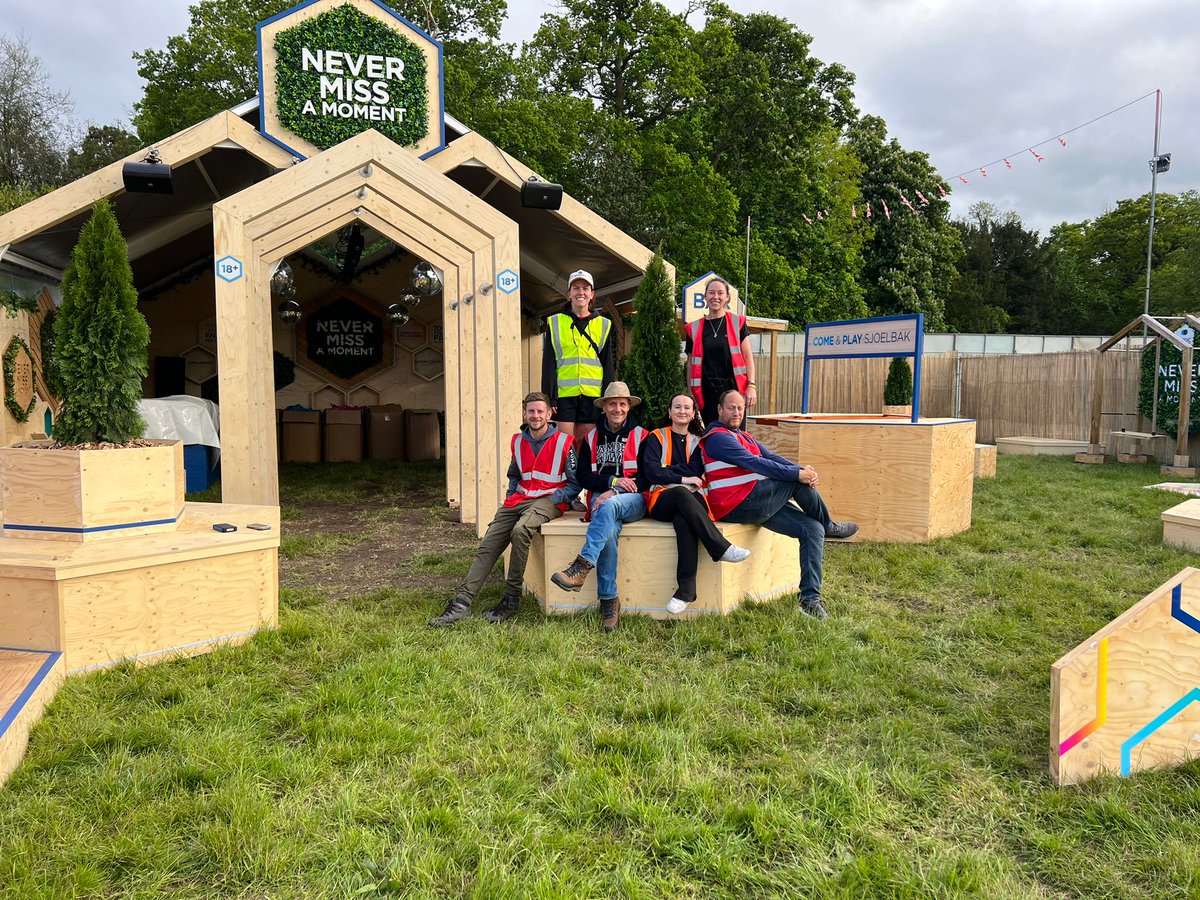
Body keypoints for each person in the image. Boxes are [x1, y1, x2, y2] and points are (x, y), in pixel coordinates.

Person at [700, 390, 858, 620]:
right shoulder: (717, 437)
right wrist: (798, 475)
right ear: (719, 409)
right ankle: (830, 525)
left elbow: (772, 457)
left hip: (757, 501)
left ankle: (809, 600)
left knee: (813, 530)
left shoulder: (744, 436)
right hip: (737, 504)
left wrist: (802, 469)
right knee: (797, 484)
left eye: (740, 408)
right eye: (731, 407)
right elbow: (755, 462)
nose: (736, 412)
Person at [430, 392, 578, 627]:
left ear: (550, 414)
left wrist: (558, 498)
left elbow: (575, 482)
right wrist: (511, 498)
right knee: (489, 543)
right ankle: (461, 603)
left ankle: (511, 599)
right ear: (524, 413)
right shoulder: (518, 441)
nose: (536, 415)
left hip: (549, 500)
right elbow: (514, 475)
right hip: (518, 499)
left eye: (541, 411)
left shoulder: (564, 441)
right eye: (531, 411)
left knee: (520, 531)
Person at [640, 393, 750, 615]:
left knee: (684, 521)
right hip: (661, 499)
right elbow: (651, 472)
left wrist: (669, 472)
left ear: (693, 414)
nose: (682, 411)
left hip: (692, 500)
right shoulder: (655, 437)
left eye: (687, 408)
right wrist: (680, 478)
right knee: (681, 492)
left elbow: (696, 471)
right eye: (677, 407)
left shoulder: (699, 443)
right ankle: (720, 547)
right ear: (670, 412)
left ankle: (685, 592)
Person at [549, 382, 646, 632]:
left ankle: (582, 566)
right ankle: (609, 602)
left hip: (633, 499)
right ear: (604, 407)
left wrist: (615, 490)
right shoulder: (591, 437)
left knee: (610, 504)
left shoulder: (642, 435)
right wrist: (610, 481)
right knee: (610, 531)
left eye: (622, 404)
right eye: (612, 404)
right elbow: (583, 476)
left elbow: (648, 476)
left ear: (628, 407)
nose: (617, 408)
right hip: (600, 500)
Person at [542, 269, 615, 444]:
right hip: (563, 396)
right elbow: (548, 364)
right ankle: (564, 473)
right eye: (575, 288)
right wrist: (549, 398)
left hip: (593, 396)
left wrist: (608, 398)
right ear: (569, 294)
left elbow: (608, 364)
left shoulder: (604, 324)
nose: (580, 292)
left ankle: (583, 473)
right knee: (564, 444)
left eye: (585, 288)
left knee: (584, 445)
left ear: (592, 294)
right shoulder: (555, 322)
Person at [684, 277, 757, 425]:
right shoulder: (694, 328)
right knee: (711, 437)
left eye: (720, 293)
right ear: (705, 296)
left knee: (735, 437)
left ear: (727, 297)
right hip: (706, 393)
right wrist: (691, 395)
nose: (715, 297)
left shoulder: (738, 323)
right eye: (711, 293)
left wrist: (751, 386)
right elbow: (690, 364)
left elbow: (748, 357)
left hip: (734, 390)